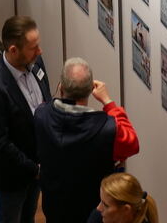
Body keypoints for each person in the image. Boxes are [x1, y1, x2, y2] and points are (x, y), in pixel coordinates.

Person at [34, 57, 140, 223]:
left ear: (61, 88)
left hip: (54, 207)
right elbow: (132, 143)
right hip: (93, 212)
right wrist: (108, 102)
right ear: (92, 89)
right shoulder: (108, 130)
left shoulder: (41, 115)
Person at [0, 15, 51, 223]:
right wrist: (34, 170)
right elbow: (0, 143)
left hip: (37, 169)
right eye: (33, 48)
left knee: (28, 217)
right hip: (12, 178)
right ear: (13, 50)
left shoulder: (36, 63)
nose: (40, 51)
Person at [90, 173, 160, 223]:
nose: (98, 208)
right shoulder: (98, 218)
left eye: (106, 205)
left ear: (126, 209)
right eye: (101, 201)